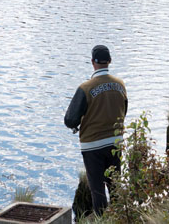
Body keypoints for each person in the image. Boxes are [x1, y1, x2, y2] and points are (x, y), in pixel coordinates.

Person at [64, 45, 128, 215]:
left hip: (92, 146)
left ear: (92, 62)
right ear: (110, 61)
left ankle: (101, 219)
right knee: (115, 184)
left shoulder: (85, 88)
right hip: (115, 142)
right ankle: (120, 216)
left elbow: (70, 120)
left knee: (97, 189)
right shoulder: (120, 85)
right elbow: (124, 110)